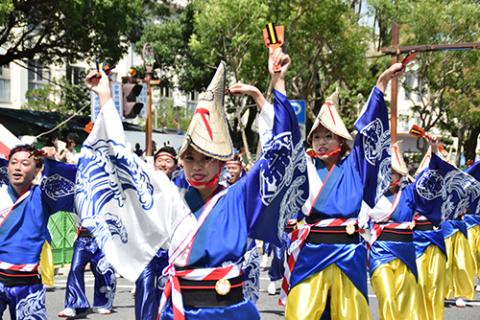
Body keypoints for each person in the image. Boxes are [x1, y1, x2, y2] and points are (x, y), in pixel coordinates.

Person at [83, 47, 307, 319]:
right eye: (189, 158)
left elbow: (278, 153)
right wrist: (106, 96)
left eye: (206, 158)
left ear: (221, 162)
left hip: (230, 310)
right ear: (181, 162)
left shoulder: (239, 196)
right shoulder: (169, 196)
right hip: (182, 309)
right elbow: (122, 160)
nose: (197, 166)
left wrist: (276, 83)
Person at [283, 63, 404, 319]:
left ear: (341, 141)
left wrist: (380, 85)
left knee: (351, 315)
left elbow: (368, 133)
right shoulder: (304, 166)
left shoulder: (354, 166)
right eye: (317, 137)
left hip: (349, 251)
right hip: (312, 250)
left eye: (329, 136)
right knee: (300, 313)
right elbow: (282, 141)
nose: (322, 142)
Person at [361, 138, 440, 320]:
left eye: (393, 172)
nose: (388, 176)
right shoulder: (370, 193)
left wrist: (433, 150)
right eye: (385, 172)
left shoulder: (410, 192)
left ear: (400, 174)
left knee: (406, 304)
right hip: (380, 253)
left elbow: (430, 177)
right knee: (387, 298)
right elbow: (361, 224)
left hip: (405, 253)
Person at [0, 145, 76, 319]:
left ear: (36, 170)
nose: (18, 167)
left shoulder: (43, 196)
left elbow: (68, 178)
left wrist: (51, 161)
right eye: (14, 162)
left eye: (25, 163)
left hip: (28, 284)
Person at [134, 145, 178, 320]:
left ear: (176, 165)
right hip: (147, 250)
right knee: (144, 288)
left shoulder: (181, 189)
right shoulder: (142, 186)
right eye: (160, 160)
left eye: (168, 161)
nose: (163, 164)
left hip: (170, 251)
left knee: (166, 293)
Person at [57, 223, 117, 317]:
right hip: (82, 239)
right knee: (75, 269)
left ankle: (101, 303)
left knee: (102, 270)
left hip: (101, 239)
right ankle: (73, 305)